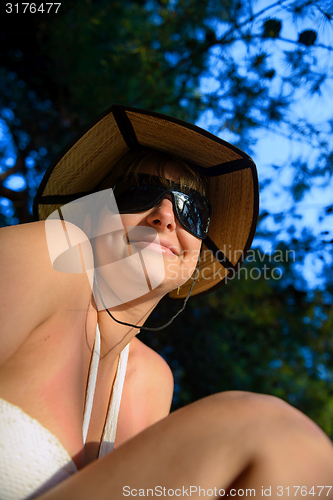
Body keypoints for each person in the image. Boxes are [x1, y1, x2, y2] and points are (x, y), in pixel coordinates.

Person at [0, 105, 332, 500]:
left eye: (192, 210)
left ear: (196, 257)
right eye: (140, 191)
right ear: (90, 215)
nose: (165, 216)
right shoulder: (49, 254)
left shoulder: (152, 380)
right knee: (270, 428)